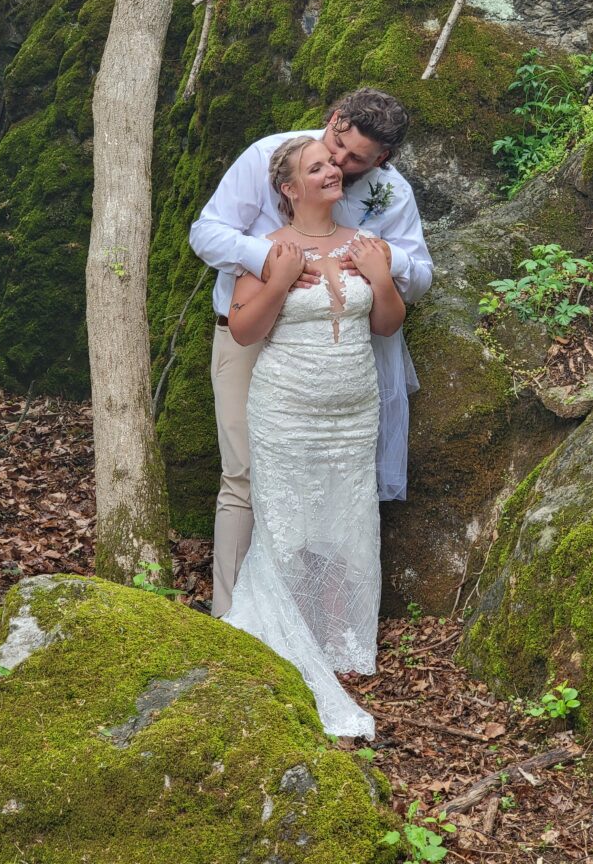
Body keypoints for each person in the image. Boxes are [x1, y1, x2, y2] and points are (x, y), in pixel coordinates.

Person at [189, 89, 433, 618]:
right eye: (335, 147)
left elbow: (420, 275)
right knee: (245, 474)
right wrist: (273, 262)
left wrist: (387, 262)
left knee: (332, 485)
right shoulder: (268, 157)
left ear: (383, 159)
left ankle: (316, 620)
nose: (339, 164)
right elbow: (206, 233)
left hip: (342, 355)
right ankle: (231, 616)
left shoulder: (392, 193)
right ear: (334, 118)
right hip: (255, 338)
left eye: (355, 160)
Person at [222, 135, 406, 738]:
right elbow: (244, 331)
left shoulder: (367, 245)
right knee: (288, 522)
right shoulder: (267, 249)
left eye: (333, 165)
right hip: (286, 408)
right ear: (289, 188)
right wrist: (279, 281)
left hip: (353, 410)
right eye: (318, 166)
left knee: (347, 518)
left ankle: (337, 639)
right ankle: (284, 636)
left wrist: (381, 279)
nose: (333, 170)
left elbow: (387, 324)